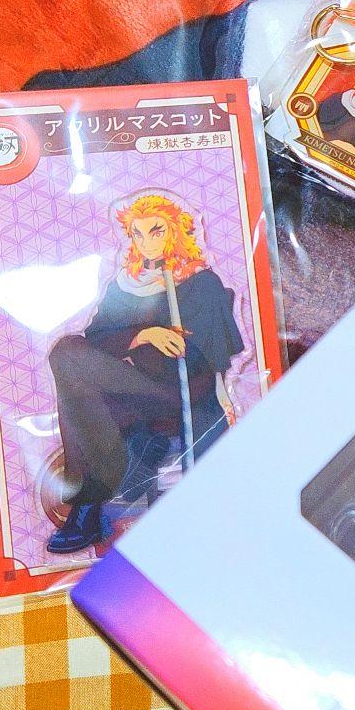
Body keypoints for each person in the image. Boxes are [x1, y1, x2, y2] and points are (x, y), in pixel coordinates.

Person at [46, 193, 244, 554]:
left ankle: (91, 501)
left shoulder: (201, 284)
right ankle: (105, 486)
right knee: (67, 352)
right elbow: (96, 342)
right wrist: (143, 334)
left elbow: (214, 358)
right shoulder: (125, 284)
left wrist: (178, 344)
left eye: (156, 231)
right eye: (138, 234)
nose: (147, 242)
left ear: (175, 232)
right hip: (135, 390)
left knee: (79, 388)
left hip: (181, 393)